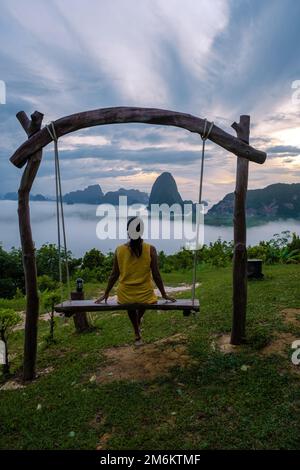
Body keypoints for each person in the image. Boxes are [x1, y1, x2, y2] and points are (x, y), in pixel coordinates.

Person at [95, 216, 175, 345]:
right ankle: (138, 322)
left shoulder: (119, 250)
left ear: (127, 230)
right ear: (141, 231)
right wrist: (164, 294)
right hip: (145, 294)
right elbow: (156, 275)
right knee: (144, 300)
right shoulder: (151, 249)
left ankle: (137, 332)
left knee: (131, 303)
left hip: (125, 294)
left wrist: (106, 294)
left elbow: (114, 274)